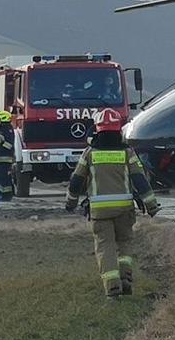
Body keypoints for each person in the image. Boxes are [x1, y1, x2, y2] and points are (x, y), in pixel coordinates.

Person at [66, 111, 160, 298]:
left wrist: (71, 202)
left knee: (105, 246)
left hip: (100, 212)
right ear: (118, 130)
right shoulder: (127, 152)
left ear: (98, 130)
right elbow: (140, 180)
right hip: (125, 210)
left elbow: (76, 180)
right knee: (124, 245)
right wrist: (152, 206)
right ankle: (125, 278)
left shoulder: (90, 153)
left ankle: (112, 287)